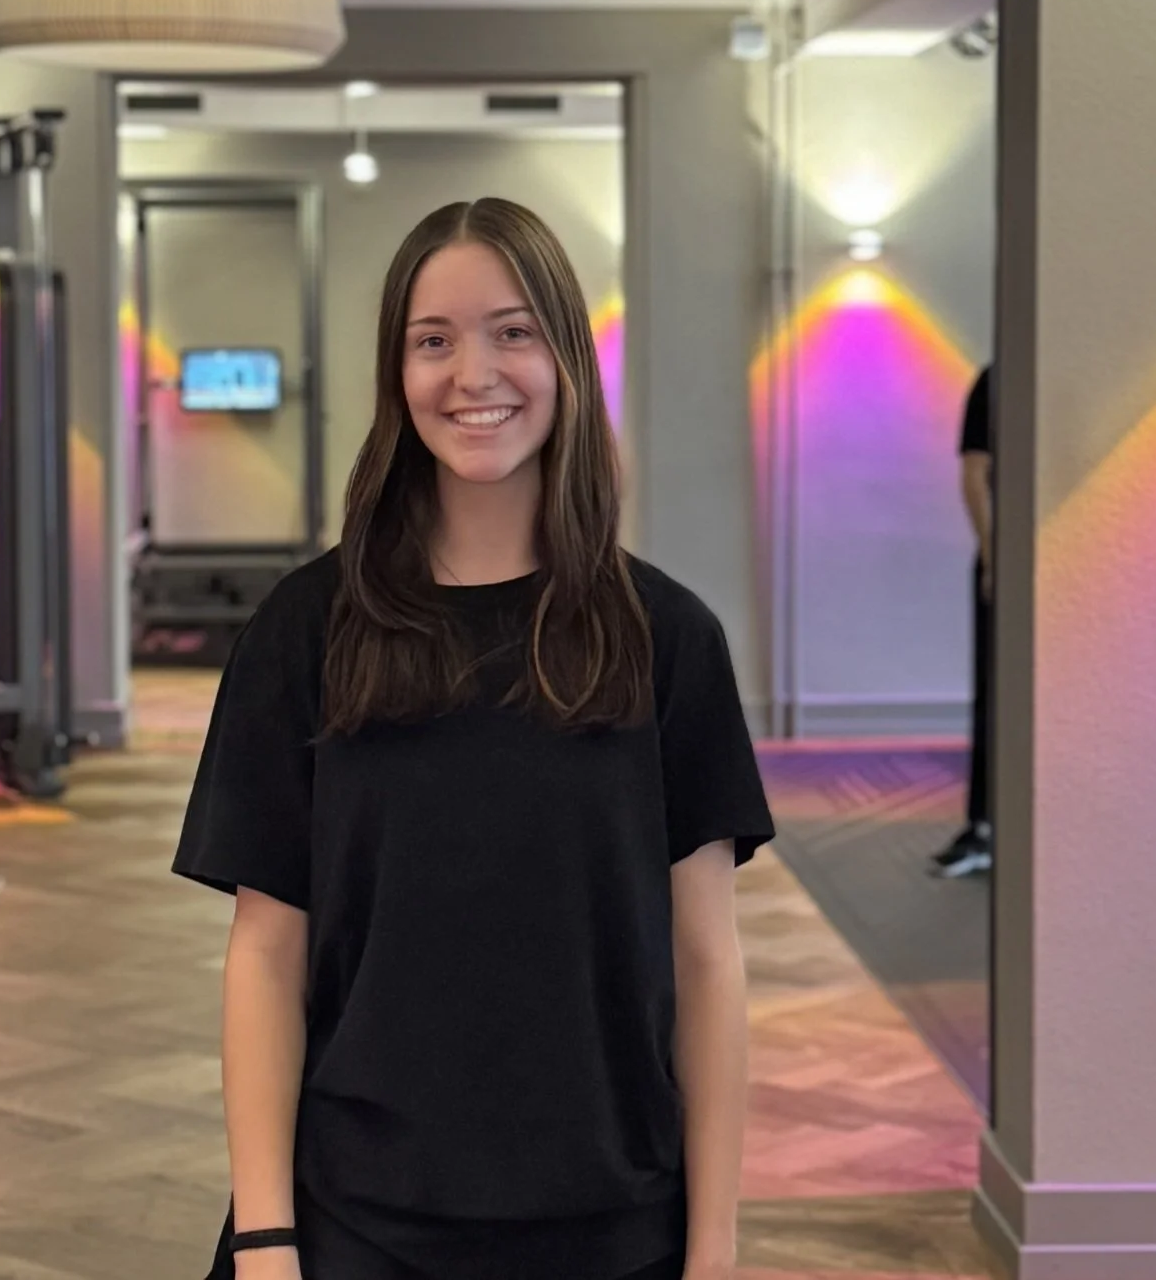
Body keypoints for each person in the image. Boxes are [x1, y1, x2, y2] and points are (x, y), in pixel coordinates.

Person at [174, 197, 776, 1280]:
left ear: (566, 358)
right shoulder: (304, 631)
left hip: (614, 1225)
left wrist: (714, 1250)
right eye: (432, 341)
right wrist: (265, 1238)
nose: (473, 374)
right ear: (395, 373)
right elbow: (265, 955)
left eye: (512, 332)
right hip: (354, 1225)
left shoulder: (667, 638)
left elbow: (705, 961)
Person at [932, 363, 994, 879]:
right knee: (995, 694)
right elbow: (975, 474)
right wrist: (995, 555)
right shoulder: (997, 383)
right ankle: (986, 825)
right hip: (1005, 562)